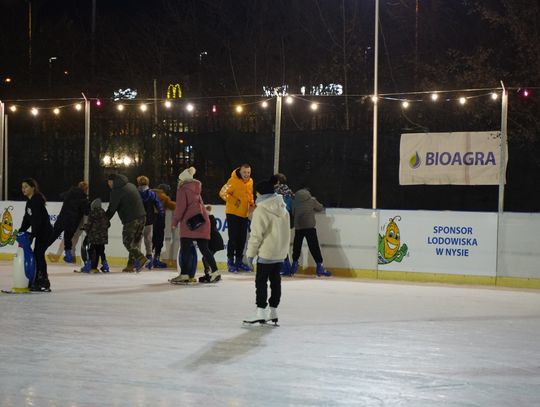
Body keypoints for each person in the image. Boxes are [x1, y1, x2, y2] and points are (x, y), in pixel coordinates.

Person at [243, 178, 290, 325]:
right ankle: (273, 311)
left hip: (266, 253)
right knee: (276, 282)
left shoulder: (261, 210)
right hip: (280, 253)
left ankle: (261, 312)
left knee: (261, 282)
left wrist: (250, 255)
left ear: (260, 193)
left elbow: (256, 235)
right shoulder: (283, 209)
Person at [170, 167, 220, 284]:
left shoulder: (183, 189)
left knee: (186, 248)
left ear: (182, 180)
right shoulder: (196, 188)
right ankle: (215, 272)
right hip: (202, 221)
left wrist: (174, 222)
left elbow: (180, 208)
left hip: (189, 223)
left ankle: (185, 274)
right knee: (205, 249)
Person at [106, 174, 148, 272]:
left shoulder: (117, 191)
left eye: (109, 182)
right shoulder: (131, 185)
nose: (108, 184)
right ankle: (131, 265)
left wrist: (104, 220)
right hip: (142, 216)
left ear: (113, 181)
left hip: (131, 219)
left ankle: (141, 258)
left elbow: (112, 209)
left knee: (127, 242)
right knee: (135, 242)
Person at [19, 178, 54, 292]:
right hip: (40, 232)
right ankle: (39, 279)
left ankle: (44, 281)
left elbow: (37, 220)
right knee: (37, 253)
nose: (23, 189)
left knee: (38, 254)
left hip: (45, 232)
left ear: (32, 188)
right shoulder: (30, 201)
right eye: (23, 187)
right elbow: (27, 219)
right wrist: (21, 230)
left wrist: (33, 234)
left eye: (26, 187)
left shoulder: (36, 201)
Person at [219, 164, 254, 272]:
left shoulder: (250, 181)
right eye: (244, 172)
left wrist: (252, 203)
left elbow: (250, 194)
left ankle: (239, 262)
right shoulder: (232, 180)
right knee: (233, 238)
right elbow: (222, 193)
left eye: (248, 172)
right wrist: (235, 201)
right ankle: (230, 262)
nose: (246, 175)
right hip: (233, 213)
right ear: (240, 171)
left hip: (244, 214)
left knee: (242, 239)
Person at [291, 188, 331, 277]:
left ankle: (294, 265)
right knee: (314, 247)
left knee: (297, 246)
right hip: (309, 227)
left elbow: (293, 212)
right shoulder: (312, 200)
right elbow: (320, 208)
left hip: (299, 227)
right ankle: (319, 266)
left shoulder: (295, 201)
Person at [49, 181, 90, 263]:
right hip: (72, 222)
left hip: (62, 219)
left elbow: (61, 196)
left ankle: (41, 249)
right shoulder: (83, 199)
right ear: (85, 190)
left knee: (53, 236)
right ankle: (68, 256)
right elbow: (87, 211)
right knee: (68, 238)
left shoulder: (70, 193)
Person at [136, 175, 164, 269]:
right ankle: (149, 260)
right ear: (147, 183)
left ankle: (138, 261)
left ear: (138, 183)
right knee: (148, 240)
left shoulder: (136, 193)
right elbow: (158, 205)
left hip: (138, 220)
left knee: (138, 240)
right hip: (149, 219)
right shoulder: (152, 194)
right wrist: (161, 215)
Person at [79, 198, 110, 273]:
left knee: (91, 250)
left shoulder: (92, 213)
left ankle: (88, 265)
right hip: (102, 238)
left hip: (94, 237)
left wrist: (85, 227)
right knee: (101, 251)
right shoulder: (104, 213)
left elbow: (89, 224)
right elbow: (108, 224)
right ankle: (105, 265)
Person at [273, 173, 294, 275]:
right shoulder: (289, 192)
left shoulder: (276, 192)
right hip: (287, 220)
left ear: (277, 181)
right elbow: (290, 207)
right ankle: (286, 267)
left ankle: (284, 267)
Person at [151, 183, 176, 268]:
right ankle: (156, 259)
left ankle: (148, 259)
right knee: (159, 240)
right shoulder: (164, 197)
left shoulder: (150, 194)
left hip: (149, 220)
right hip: (159, 220)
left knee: (150, 240)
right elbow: (172, 206)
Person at [199, 205, 224, 282]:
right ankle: (210, 273)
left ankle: (211, 274)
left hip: (215, 242)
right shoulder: (209, 219)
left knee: (205, 258)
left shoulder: (209, 219)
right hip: (214, 242)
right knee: (205, 258)